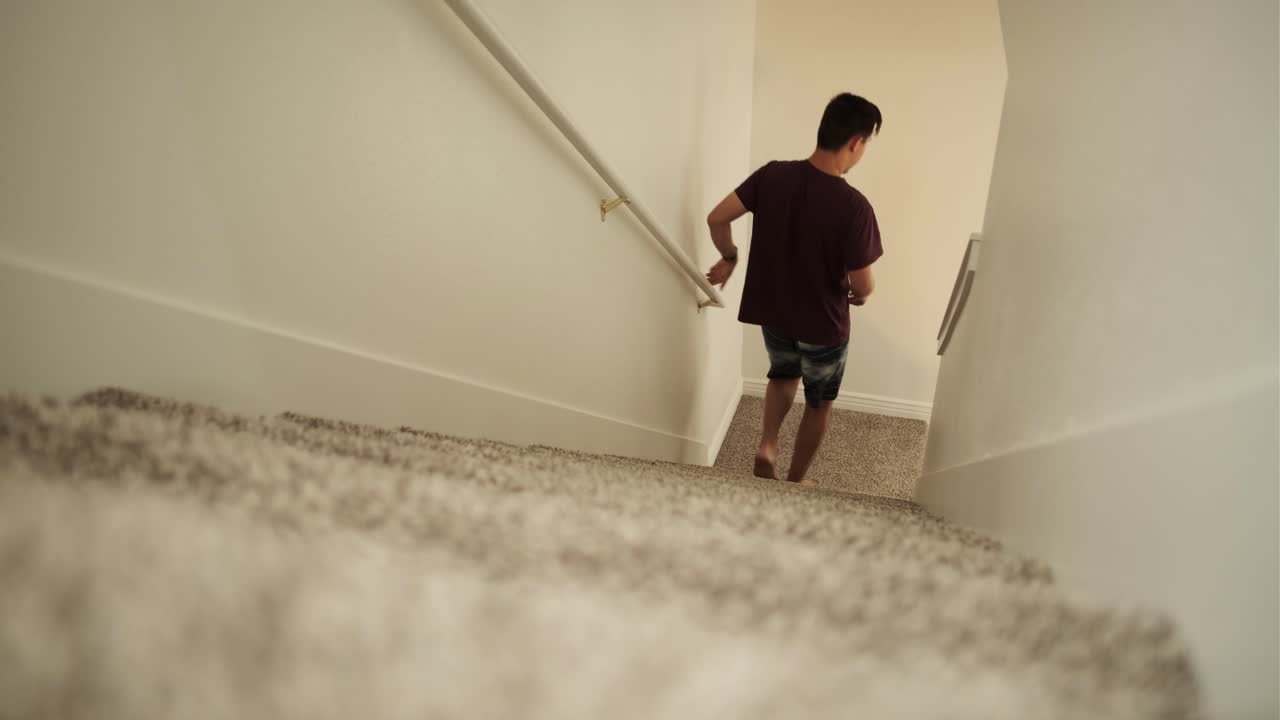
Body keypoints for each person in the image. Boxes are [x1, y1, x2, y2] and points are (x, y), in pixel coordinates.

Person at [704, 93, 883, 486]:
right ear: (855, 142)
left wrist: (730, 256)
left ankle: (767, 444)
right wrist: (863, 294)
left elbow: (716, 218)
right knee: (819, 402)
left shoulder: (772, 175)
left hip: (774, 313)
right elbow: (863, 282)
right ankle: (796, 480)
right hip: (823, 326)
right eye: (866, 144)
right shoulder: (854, 207)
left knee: (782, 374)